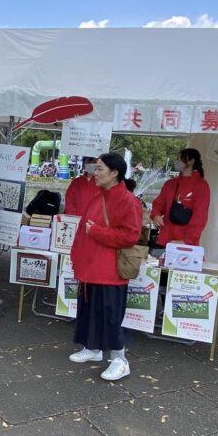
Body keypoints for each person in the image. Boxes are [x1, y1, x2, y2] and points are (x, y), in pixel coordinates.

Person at [69, 152, 143, 381]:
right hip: (90, 266)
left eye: (100, 168)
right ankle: (93, 349)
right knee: (89, 312)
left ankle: (121, 360)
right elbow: (84, 229)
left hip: (109, 270)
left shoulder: (127, 200)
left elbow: (130, 236)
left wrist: (97, 232)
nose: (95, 172)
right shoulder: (98, 194)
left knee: (110, 317)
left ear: (114, 173)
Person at [149, 148, 210, 250]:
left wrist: (186, 240)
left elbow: (200, 217)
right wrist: (156, 215)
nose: (177, 161)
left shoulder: (201, 186)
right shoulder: (170, 184)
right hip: (165, 239)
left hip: (186, 244)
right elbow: (159, 204)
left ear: (191, 161)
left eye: (180, 159)